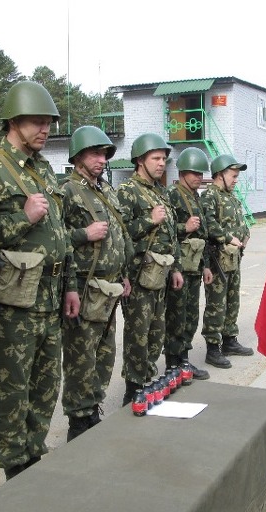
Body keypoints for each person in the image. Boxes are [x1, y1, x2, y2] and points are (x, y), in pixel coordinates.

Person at [0, 81, 79, 480]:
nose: (45, 129)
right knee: (13, 390)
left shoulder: (44, 169)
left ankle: (34, 457)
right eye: (36, 121)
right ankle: (14, 467)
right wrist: (21, 218)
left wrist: (72, 284)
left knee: (46, 384)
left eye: (48, 122)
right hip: (14, 302)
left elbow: (60, 233)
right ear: (13, 121)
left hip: (51, 295)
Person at [59, 126, 132, 441]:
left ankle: (93, 407)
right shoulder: (67, 191)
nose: (101, 159)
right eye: (94, 153)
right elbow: (54, 239)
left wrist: (124, 274)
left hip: (110, 286)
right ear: (77, 156)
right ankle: (78, 419)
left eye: (104, 153)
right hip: (86, 287)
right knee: (81, 355)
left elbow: (117, 235)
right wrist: (82, 235)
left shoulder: (106, 190)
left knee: (104, 351)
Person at [118, 133, 182, 405]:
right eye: (155, 158)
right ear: (139, 160)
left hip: (161, 275)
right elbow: (121, 235)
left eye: (164, 159)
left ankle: (148, 378)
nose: (161, 163)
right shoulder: (127, 191)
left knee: (157, 331)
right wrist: (148, 219)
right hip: (139, 276)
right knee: (138, 334)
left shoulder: (161, 192)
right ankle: (133, 388)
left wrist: (176, 267)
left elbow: (170, 236)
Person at [201, 154, 254, 369]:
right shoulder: (209, 196)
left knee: (233, 300)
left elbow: (241, 221)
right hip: (217, 260)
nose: (235, 180)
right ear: (220, 174)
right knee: (216, 303)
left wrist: (246, 233)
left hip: (234, 258)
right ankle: (213, 348)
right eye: (233, 176)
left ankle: (230, 340)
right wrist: (227, 237)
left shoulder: (231, 196)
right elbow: (208, 225)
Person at [164, 147, 212, 379]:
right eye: (194, 173)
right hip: (180, 267)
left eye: (201, 173)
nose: (199, 177)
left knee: (191, 315)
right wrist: (185, 227)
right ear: (183, 171)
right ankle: (174, 362)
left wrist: (205, 265)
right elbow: (166, 231)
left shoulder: (196, 197)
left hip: (194, 266)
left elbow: (201, 235)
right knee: (177, 316)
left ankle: (183, 359)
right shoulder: (173, 194)